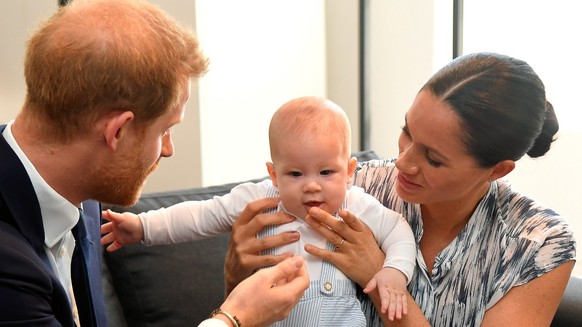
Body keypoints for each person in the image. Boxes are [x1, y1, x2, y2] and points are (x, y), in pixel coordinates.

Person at [0, 0, 308, 326]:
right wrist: (234, 319)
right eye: (165, 130)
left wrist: (235, 286)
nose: (168, 149)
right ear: (117, 131)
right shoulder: (8, 267)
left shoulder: (84, 196)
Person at [223, 52, 577, 326]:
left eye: (433, 159)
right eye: (406, 131)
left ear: (497, 170)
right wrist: (236, 273)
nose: (403, 163)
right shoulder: (350, 186)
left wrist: (380, 275)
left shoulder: (538, 243)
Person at [100, 96, 417, 325]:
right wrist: (142, 227)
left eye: (326, 173)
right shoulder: (258, 199)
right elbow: (200, 216)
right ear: (273, 173)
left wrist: (393, 273)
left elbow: (398, 231)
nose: (311, 186)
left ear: (349, 171)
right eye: (295, 174)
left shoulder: (356, 203)